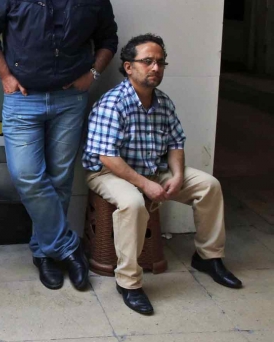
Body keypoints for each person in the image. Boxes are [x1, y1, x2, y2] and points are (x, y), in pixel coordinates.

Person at [0, 0, 118, 291]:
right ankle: (68, 248)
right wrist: (6, 76)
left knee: (59, 180)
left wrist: (94, 74)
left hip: (70, 100)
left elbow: (108, 38)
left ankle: (44, 252)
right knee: (26, 176)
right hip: (23, 101)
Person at [83, 33, 242, 315]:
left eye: (160, 62)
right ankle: (128, 282)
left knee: (209, 185)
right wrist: (146, 185)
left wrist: (177, 175)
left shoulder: (164, 102)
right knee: (133, 202)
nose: (156, 68)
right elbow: (108, 157)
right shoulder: (113, 103)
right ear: (129, 67)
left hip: (153, 169)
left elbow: (176, 144)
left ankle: (208, 257)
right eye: (147, 61)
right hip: (108, 173)